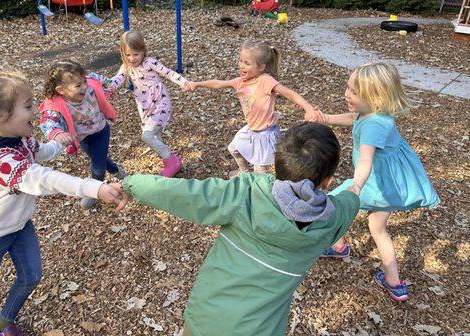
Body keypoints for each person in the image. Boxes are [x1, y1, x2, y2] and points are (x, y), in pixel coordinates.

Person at [113, 122, 360, 336]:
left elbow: (182, 193)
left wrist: (131, 184)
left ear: (277, 164)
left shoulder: (246, 193)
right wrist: (354, 193)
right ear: (328, 181)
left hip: (205, 318)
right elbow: (349, 202)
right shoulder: (331, 221)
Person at [0, 72, 119, 336]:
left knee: (31, 275)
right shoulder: (0, 159)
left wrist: (56, 143)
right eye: (28, 106)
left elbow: (39, 152)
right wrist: (94, 187)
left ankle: (3, 322)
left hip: (19, 225)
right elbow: (41, 179)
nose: (36, 110)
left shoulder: (20, 138)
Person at [316, 63, 440, 302]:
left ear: (375, 97)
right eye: (348, 87)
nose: (346, 94)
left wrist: (357, 186)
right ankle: (394, 282)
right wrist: (327, 118)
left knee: (332, 204)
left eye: (353, 91)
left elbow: (365, 160)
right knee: (378, 229)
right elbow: (355, 118)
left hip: (374, 184)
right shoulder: (376, 112)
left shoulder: (374, 125)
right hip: (390, 186)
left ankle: (338, 246)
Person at [186, 40, 321, 176]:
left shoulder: (265, 81)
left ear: (261, 67)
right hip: (252, 130)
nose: (241, 66)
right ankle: (245, 172)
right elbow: (218, 84)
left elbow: (289, 93)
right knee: (234, 148)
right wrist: (197, 84)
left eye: (247, 63)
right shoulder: (240, 82)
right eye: (240, 61)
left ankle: (260, 190)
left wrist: (308, 108)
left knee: (259, 171)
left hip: (265, 133)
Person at [40, 59, 126, 209]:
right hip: (82, 138)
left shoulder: (90, 84)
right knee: (99, 158)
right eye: (78, 85)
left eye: (84, 81)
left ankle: (93, 191)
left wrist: (113, 82)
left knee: (97, 167)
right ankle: (116, 170)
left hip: (100, 131)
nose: (84, 87)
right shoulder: (56, 104)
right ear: (61, 90)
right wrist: (57, 133)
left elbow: (104, 81)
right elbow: (48, 121)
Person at [108, 29, 190, 177]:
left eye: (135, 54)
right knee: (156, 136)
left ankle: (173, 162)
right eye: (128, 55)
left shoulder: (150, 63)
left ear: (143, 50)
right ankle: (169, 164)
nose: (132, 58)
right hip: (145, 107)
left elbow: (168, 72)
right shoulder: (126, 67)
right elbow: (117, 79)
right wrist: (109, 86)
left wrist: (184, 83)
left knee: (147, 136)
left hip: (160, 103)